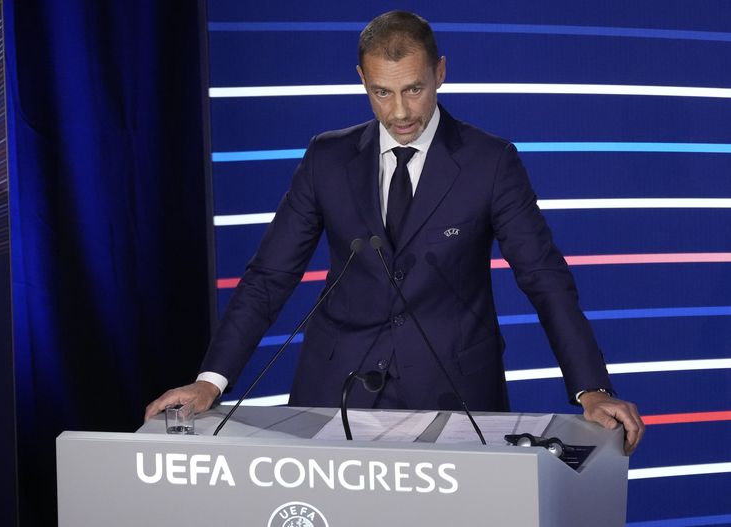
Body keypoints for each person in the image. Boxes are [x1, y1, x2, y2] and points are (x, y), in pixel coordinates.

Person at [146, 10, 644, 454]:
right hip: (333, 388)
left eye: (414, 89)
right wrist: (210, 382)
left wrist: (591, 388)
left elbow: (543, 277)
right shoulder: (327, 158)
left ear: (441, 73)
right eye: (381, 92)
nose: (400, 112)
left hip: (453, 392)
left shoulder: (490, 162)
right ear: (362, 80)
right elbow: (268, 276)